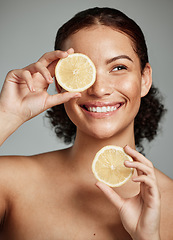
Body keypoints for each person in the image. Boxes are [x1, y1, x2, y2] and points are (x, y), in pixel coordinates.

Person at [0, 7, 172, 240]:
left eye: (118, 68)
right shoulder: (10, 183)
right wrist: (6, 116)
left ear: (144, 79)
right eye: (81, 71)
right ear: (60, 84)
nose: (99, 89)